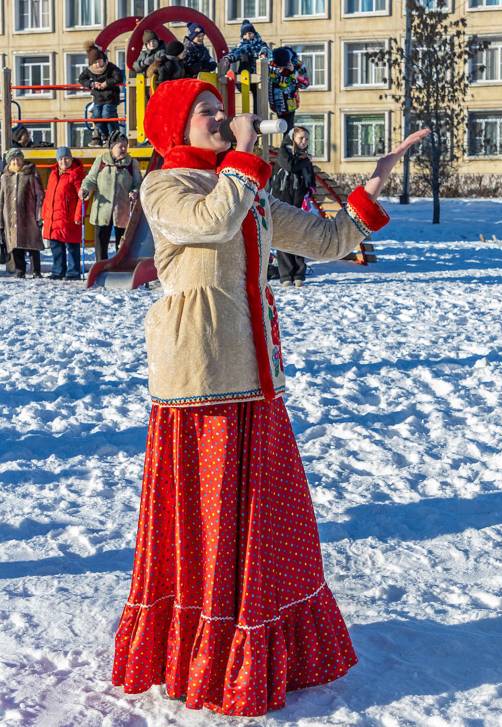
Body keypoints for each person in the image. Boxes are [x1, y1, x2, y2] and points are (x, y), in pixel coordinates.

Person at [109, 78, 429, 716]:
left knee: (262, 519)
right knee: (209, 519)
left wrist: (376, 180)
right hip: (198, 376)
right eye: (207, 113)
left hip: (255, 375)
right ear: (175, 126)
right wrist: (245, 161)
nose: (222, 120)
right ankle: (201, 644)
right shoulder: (166, 186)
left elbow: (328, 240)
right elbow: (211, 220)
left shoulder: (243, 188)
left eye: (221, 112)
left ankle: (255, 634)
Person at [269, 126, 319, 287]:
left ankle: (299, 274)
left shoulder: (305, 158)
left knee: (300, 237)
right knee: (284, 237)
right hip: (282, 200)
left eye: (306, 139)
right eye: (301, 138)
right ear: (293, 138)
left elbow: (310, 176)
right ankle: (285, 275)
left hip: (299, 201)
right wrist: (305, 161)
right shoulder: (284, 152)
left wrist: (310, 190)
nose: (304, 142)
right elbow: (290, 166)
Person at [81, 130, 142, 261]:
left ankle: (121, 265)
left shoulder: (132, 164)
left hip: (123, 210)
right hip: (102, 210)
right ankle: (100, 267)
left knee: (122, 243)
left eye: (126, 145)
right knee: (101, 242)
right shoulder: (101, 160)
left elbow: (138, 183)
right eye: (120, 146)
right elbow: (90, 179)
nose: (124, 148)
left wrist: (135, 191)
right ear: (112, 147)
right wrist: (85, 189)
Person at [42, 147, 86, 280]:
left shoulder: (76, 174)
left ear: (71, 159)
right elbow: (48, 195)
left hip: (69, 217)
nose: (63, 161)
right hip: (54, 217)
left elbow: (82, 197)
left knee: (72, 245)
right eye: (61, 159)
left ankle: (73, 272)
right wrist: (45, 213)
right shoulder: (53, 174)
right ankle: (58, 271)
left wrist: (79, 215)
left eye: (66, 158)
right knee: (56, 246)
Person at [0, 148, 44, 278]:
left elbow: (39, 194)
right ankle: (20, 270)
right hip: (10, 217)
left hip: (29, 215)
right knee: (15, 243)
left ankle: (36, 270)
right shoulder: (4, 177)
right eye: (13, 159)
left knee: (33, 242)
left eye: (18, 158)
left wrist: (38, 214)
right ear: (9, 162)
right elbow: (1, 199)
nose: (16, 162)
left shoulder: (31, 174)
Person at [78, 42, 124, 146]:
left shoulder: (110, 67)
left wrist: (106, 83)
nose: (98, 64)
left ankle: (113, 135)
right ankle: (105, 135)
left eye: (99, 61)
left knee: (107, 115)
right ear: (91, 63)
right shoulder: (90, 70)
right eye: (95, 62)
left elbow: (118, 77)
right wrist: (91, 84)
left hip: (110, 97)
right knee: (96, 117)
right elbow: (81, 79)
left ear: (104, 59)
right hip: (98, 98)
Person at [268, 47, 309, 129]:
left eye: (283, 67)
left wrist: (294, 72)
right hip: (275, 103)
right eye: (279, 67)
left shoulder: (297, 64)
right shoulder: (271, 63)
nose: (281, 69)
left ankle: (288, 141)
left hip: (290, 103)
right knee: (280, 127)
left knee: (289, 129)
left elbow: (305, 83)